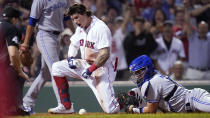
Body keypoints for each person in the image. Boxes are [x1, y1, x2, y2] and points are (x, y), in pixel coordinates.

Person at [47, 3, 120, 114]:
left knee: (110, 110)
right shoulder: (80, 28)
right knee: (56, 67)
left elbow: (105, 54)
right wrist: (71, 57)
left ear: (85, 14)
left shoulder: (100, 28)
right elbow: (74, 44)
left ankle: (127, 99)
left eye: (77, 17)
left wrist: (91, 69)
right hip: (85, 65)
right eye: (73, 19)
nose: (75, 21)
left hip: (101, 68)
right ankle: (66, 106)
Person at [20, 0, 75, 113]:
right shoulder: (39, 0)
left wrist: (76, 34)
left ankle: (27, 101)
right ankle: (63, 104)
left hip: (57, 36)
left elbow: (67, 18)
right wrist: (25, 43)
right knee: (55, 68)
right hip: (44, 35)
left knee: (45, 74)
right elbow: (32, 21)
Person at [125, 55, 210, 113]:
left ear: (147, 68)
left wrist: (133, 109)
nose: (137, 75)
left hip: (194, 100)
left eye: (138, 71)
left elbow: (151, 111)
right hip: (189, 105)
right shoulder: (154, 76)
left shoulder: (152, 83)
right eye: (135, 73)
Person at [0, 6, 30, 115]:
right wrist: (20, 71)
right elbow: (12, 53)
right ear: (14, 19)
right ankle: (14, 107)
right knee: (17, 75)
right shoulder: (11, 28)